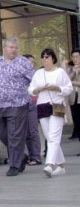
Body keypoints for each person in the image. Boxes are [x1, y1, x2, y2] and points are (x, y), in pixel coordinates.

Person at [0, 37, 34, 177]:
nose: (13, 50)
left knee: (15, 135)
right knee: (1, 133)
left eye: (15, 47)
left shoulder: (23, 63)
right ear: (4, 48)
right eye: (11, 47)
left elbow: (34, 80)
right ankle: (21, 156)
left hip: (17, 104)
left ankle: (15, 165)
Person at [29, 48, 72, 177]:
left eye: (47, 57)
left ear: (53, 58)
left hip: (56, 105)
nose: (44, 59)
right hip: (42, 105)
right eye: (42, 57)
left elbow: (68, 88)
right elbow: (30, 89)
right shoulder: (38, 73)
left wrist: (57, 88)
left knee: (53, 136)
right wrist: (38, 89)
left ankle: (49, 164)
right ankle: (61, 166)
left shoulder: (60, 72)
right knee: (49, 136)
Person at [23, 54, 42, 166]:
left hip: (33, 104)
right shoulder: (19, 74)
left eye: (33, 62)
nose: (32, 64)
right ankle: (30, 155)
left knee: (33, 131)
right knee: (25, 133)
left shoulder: (37, 74)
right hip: (21, 105)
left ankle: (36, 156)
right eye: (30, 62)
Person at [67, 49, 80, 141]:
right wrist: (73, 73)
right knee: (75, 118)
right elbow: (66, 81)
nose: (75, 59)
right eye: (73, 57)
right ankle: (76, 133)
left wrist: (71, 82)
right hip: (73, 97)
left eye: (77, 57)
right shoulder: (70, 69)